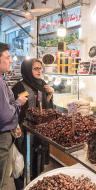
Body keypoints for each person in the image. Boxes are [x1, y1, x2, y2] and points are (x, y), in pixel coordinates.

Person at [12, 58, 54, 189]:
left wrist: (50, 94)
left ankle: (35, 183)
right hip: (24, 132)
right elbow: (13, 108)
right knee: (23, 161)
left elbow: (46, 108)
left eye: (40, 68)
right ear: (27, 70)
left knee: (38, 158)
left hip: (39, 130)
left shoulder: (42, 83)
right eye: (35, 68)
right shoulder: (18, 87)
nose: (39, 71)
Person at [0, 42, 27, 190]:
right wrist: (18, 103)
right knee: (3, 179)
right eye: (8, 57)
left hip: (6, 133)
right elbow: (4, 116)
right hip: (2, 136)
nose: (11, 60)